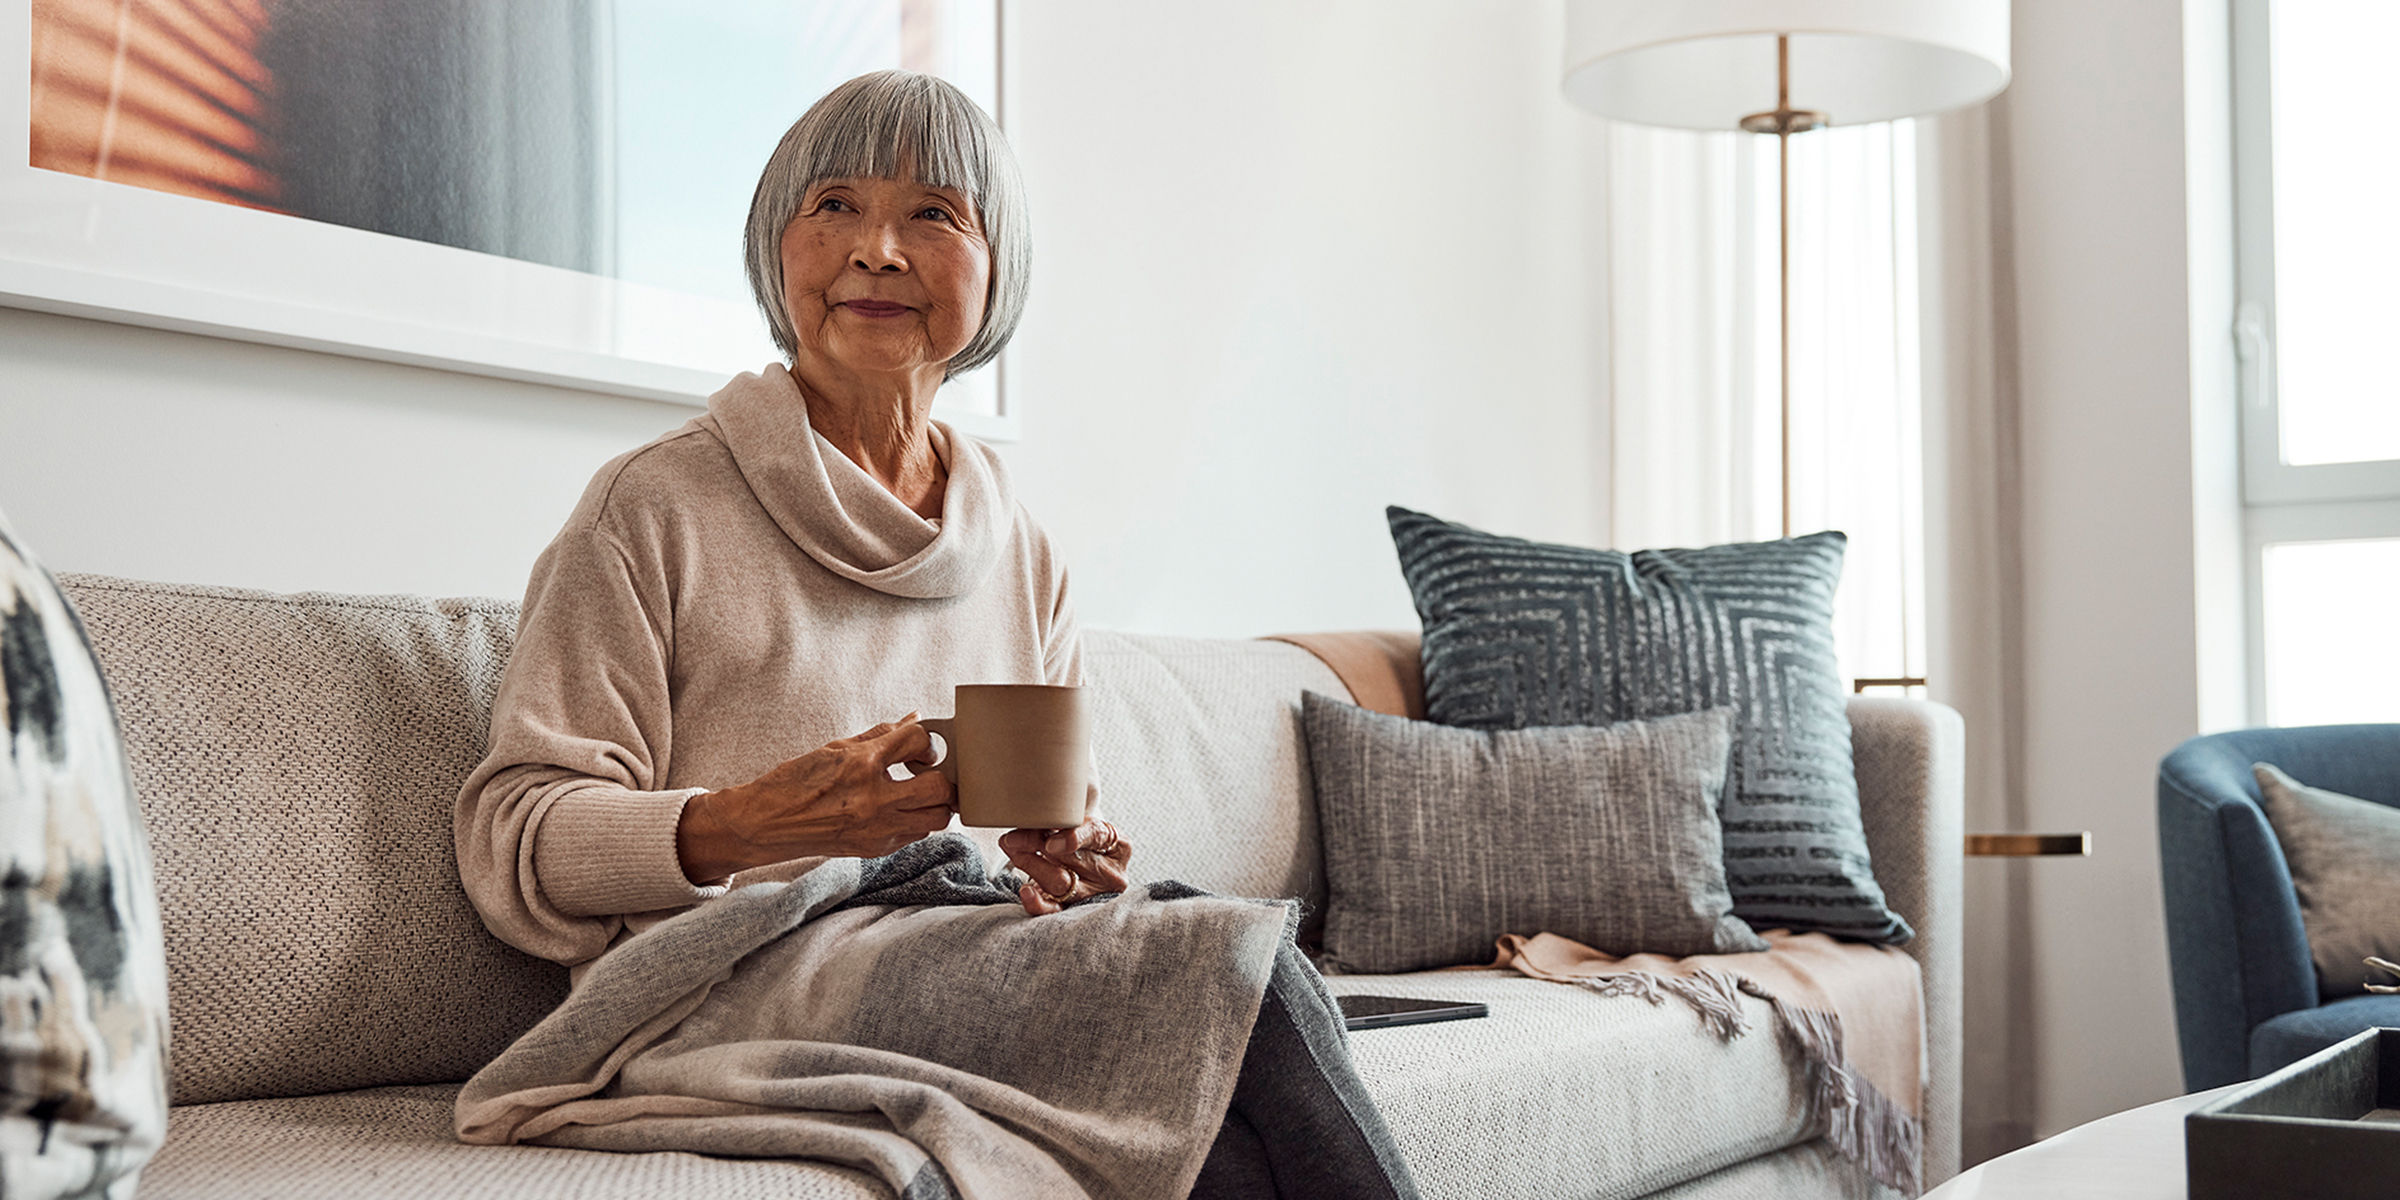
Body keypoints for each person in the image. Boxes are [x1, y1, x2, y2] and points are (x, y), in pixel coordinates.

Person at [454, 70, 1416, 1199]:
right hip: (719, 983)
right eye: (835, 208)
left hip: (953, 948)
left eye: (934, 214)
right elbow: (514, 836)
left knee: (1232, 1123)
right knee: (1238, 964)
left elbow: (1065, 836)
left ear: (995, 268)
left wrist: (1074, 860)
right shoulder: (653, 506)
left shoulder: (1022, 548)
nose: (878, 249)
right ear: (778, 249)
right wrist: (749, 823)